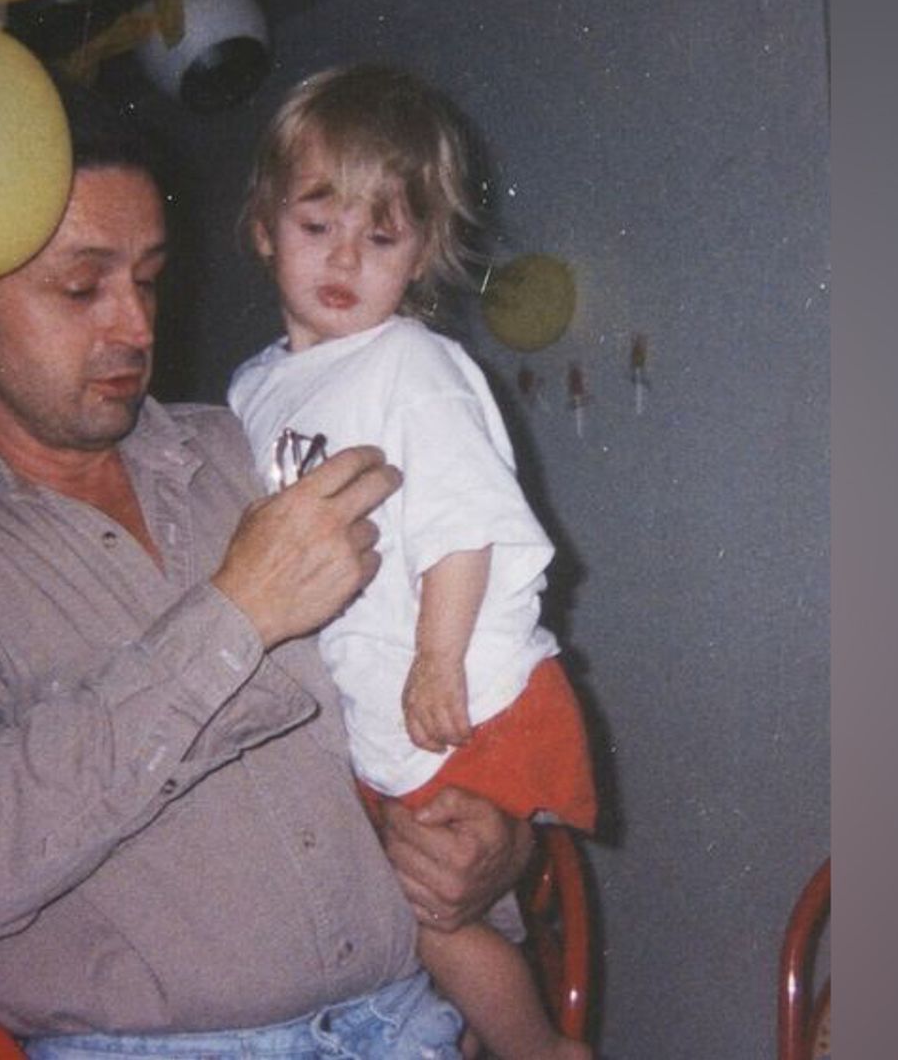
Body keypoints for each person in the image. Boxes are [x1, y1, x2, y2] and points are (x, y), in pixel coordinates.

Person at [0, 85, 532, 1058]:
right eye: (82, 287)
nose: (134, 327)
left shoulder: (246, 443)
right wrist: (235, 614)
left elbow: (418, 669)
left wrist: (501, 842)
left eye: (149, 279)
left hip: (408, 1021)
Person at [228, 65, 599, 1060]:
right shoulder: (255, 388)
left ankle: (542, 1050)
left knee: (434, 919)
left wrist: (436, 659)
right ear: (264, 225)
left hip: (464, 695)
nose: (346, 256)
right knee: (418, 929)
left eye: (381, 236)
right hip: (377, 712)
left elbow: (465, 526)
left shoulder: (411, 366)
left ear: (423, 253)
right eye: (319, 227)